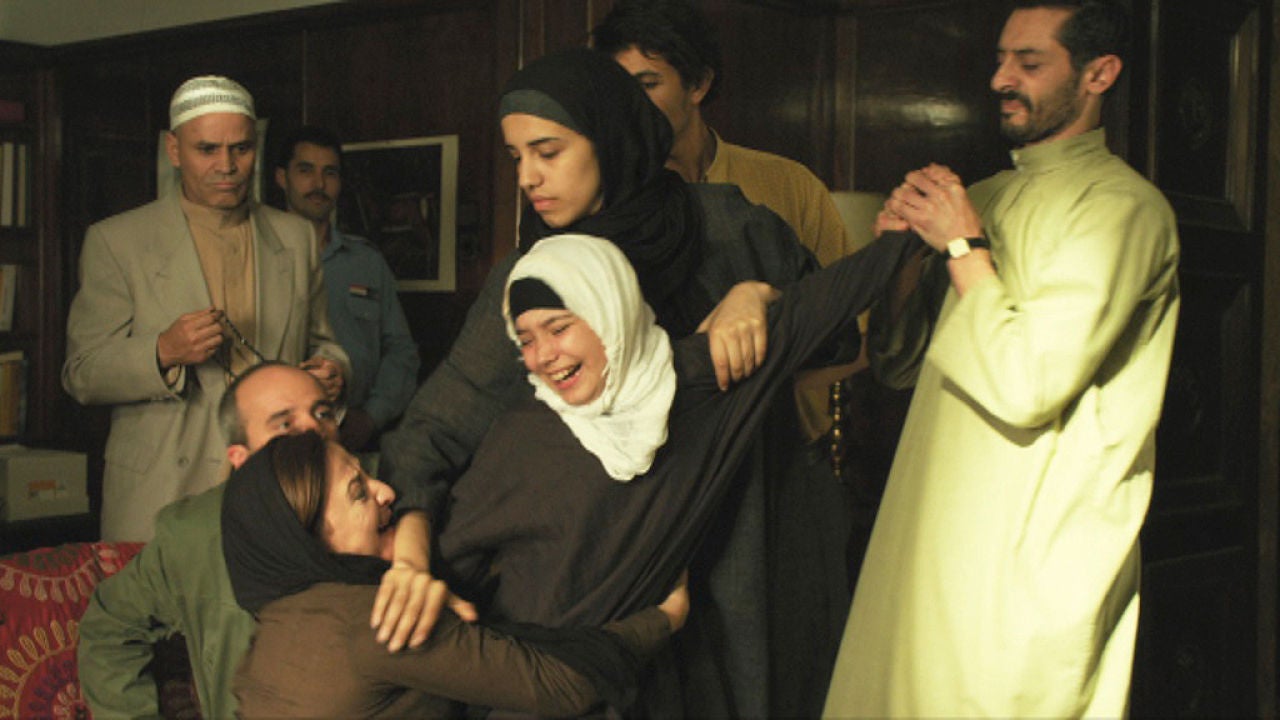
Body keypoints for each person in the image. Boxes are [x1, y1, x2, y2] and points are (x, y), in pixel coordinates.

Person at [378, 47, 821, 717]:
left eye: (548, 151)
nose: (528, 176)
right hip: (608, 577)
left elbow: (838, 333)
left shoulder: (728, 228)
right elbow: (434, 428)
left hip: (742, 546)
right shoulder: (531, 277)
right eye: (516, 156)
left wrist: (760, 296)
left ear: (610, 136)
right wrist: (410, 560)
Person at [823, 1, 1180, 716]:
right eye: (1000, 59)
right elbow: (897, 364)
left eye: (1030, 62)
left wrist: (962, 245)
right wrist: (902, 259)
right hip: (928, 539)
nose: (1000, 79)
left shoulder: (1123, 208)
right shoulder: (983, 197)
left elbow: (1028, 385)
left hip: (1028, 561)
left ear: (1100, 74)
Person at [434, 230, 915, 716]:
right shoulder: (520, 435)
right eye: (526, 340)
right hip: (525, 691)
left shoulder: (698, 386)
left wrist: (906, 236)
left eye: (558, 329)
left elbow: (821, 304)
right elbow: (450, 567)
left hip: (637, 687)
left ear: (608, 310)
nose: (542, 357)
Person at [77, 362, 459, 720]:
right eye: (285, 424)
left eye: (323, 413)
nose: (313, 431)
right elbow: (109, 627)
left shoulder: (393, 495)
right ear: (240, 458)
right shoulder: (195, 533)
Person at [62, 75, 349, 542]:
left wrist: (334, 372)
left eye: (241, 149)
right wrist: (162, 351)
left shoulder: (295, 237)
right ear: (174, 150)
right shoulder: (117, 241)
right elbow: (82, 372)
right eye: (207, 149)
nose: (227, 166)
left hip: (278, 483)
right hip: (161, 487)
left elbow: (324, 343)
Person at [224, 431, 690, 718]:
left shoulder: (274, 625)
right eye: (358, 492)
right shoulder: (381, 618)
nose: (386, 492)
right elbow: (559, 686)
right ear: (310, 539)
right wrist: (666, 617)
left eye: (368, 475)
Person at [274, 125, 420, 452]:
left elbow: (401, 351)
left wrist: (371, 416)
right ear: (282, 178)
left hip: (355, 433)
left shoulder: (366, 262)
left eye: (330, 173)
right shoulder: (260, 258)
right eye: (305, 170)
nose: (319, 184)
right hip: (281, 436)